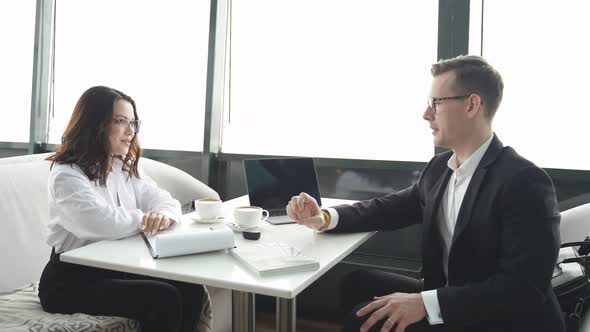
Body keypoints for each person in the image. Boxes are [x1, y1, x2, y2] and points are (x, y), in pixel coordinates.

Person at [287, 55, 564, 332]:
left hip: (500, 318)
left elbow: (521, 291)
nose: (426, 114)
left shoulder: (524, 182)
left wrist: (428, 303)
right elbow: (388, 208)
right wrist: (323, 217)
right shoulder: (439, 168)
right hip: (449, 293)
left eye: (436, 103)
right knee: (357, 284)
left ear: (472, 105)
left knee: (364, 319)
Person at [38, 86, 206, 332]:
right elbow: (99, 222)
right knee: (162, 298)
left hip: (117, 270)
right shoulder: (66, 175)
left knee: (191, 287)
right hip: (70, 281)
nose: (130, 131)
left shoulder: (122, 168)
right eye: (120, 121)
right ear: (95, 124)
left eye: (133, 123)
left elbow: (166, 202)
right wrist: (145, 219)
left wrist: (162, 216)